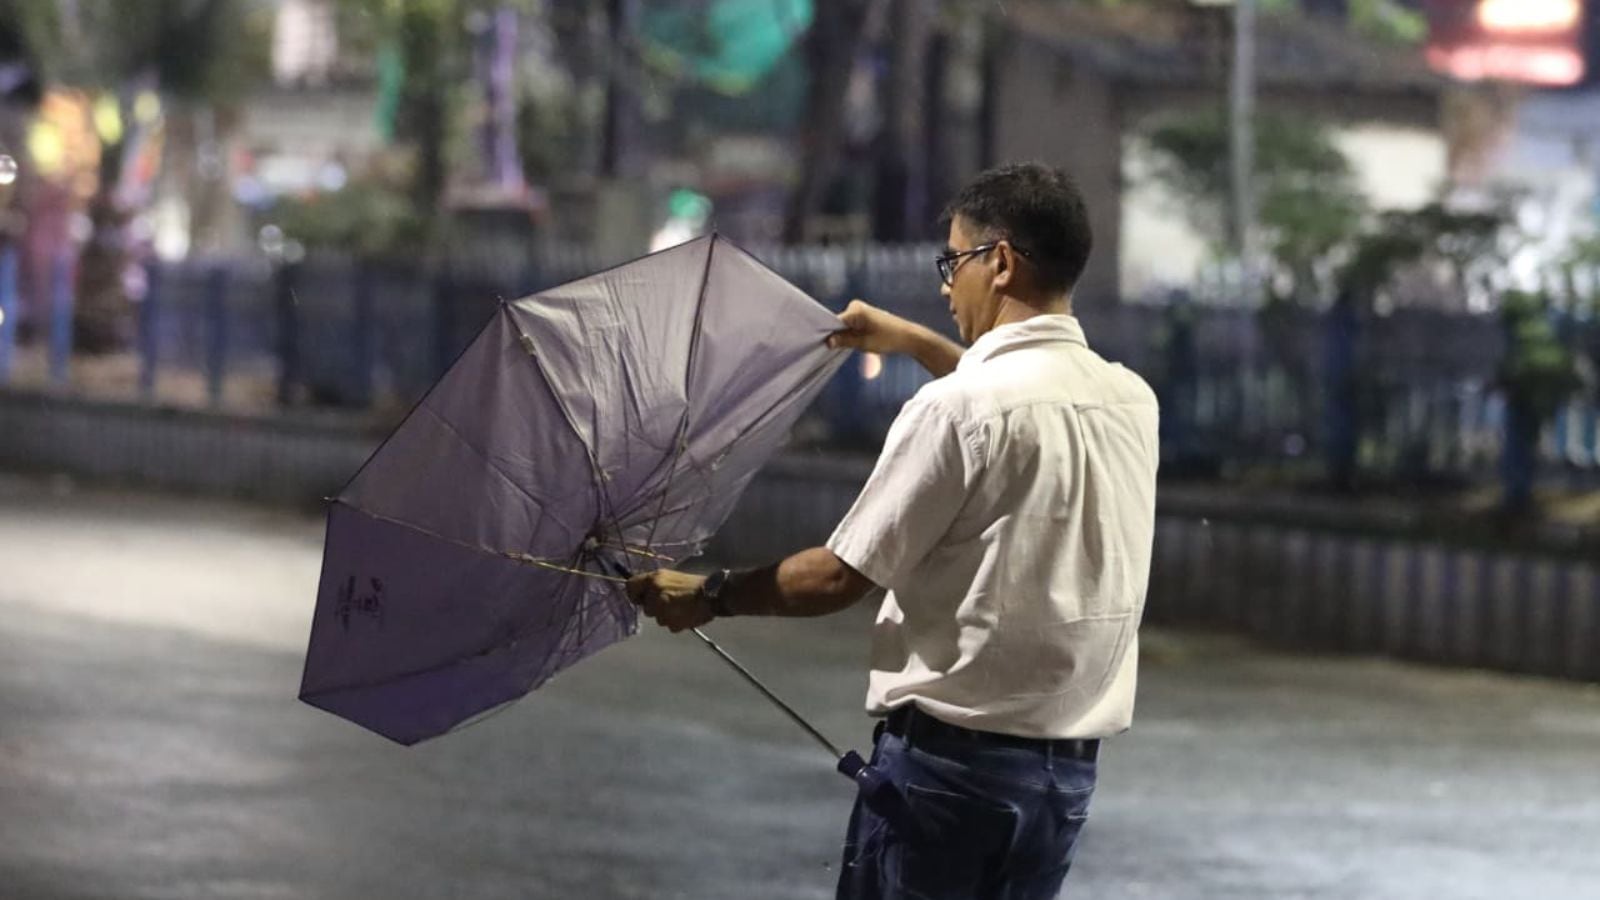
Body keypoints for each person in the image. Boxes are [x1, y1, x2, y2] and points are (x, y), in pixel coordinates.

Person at [627, 162, 1160, 899]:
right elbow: (1011, 405)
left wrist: (710, 593)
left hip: (950, 780)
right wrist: (911, 339)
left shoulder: (955, 411)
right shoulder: (1130, 401)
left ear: (999, 263)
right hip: (1060, 786)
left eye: (953, 262)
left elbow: (838, 576)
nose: (946, 285)